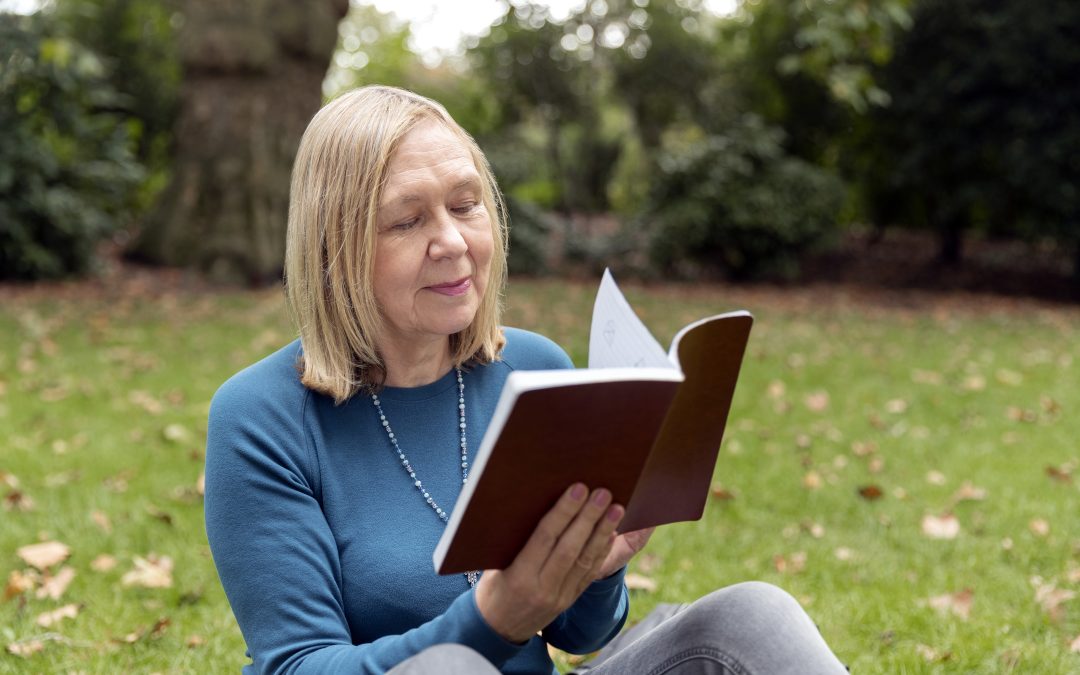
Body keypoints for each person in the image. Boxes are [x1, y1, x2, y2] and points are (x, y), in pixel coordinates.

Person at [204, 85, 848, 675]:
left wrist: (598, 569)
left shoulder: (534, 370)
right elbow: (298, 665)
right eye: (408, 221)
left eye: (465, 205)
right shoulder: (262, 417)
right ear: (334, 245)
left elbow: (580, 633)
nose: (453, 241)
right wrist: (491, 621)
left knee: (753, 616)